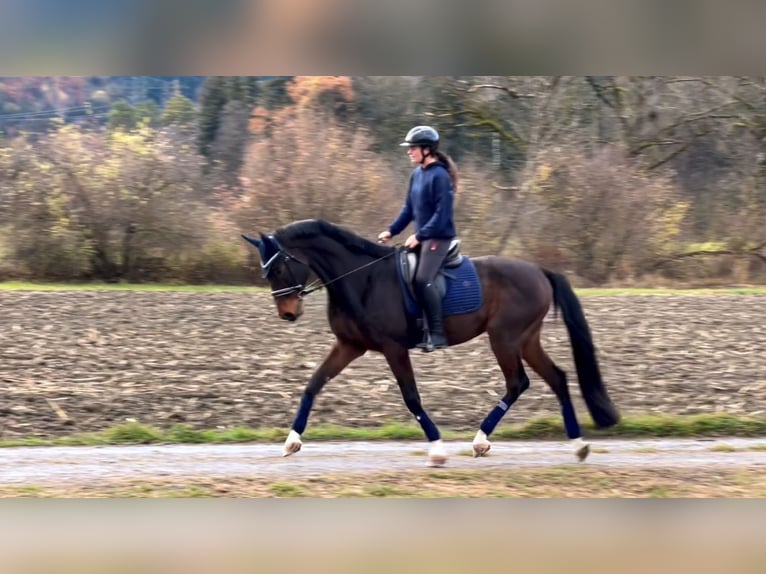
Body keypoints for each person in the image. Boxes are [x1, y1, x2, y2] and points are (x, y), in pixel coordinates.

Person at [378, 125, 459, 352]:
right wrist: (391, 230)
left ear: (427, 149)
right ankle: (414, 327)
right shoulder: (417, 174)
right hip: (422, 238)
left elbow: (442, 216)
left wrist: (420, 235)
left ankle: (437, 333)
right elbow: (409, 209)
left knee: (423, 279)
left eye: (412, 147)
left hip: (438, 239)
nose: (409, 151)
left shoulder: (440, 176)